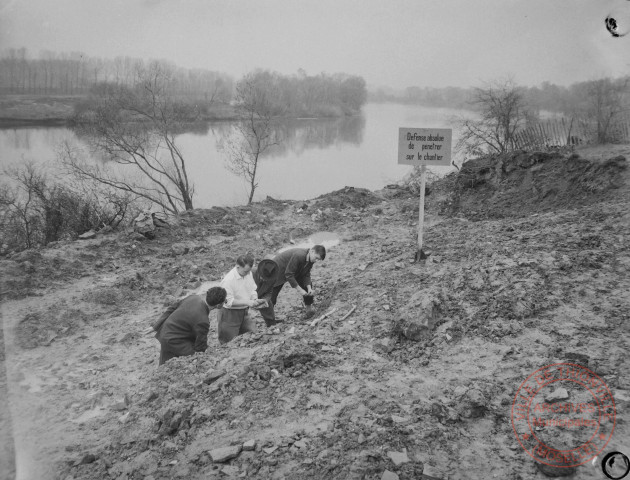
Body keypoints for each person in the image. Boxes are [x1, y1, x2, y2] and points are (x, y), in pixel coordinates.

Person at [153, 286, 227, 365]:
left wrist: (155, 326)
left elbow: (172, 308)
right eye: (224, 301)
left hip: (165, 332)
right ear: (219, 305)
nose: (226, 301)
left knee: (164, 364)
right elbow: (200, 347)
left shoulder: (193, 297)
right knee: (194, 357)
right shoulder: (203, 321)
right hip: (173, 340)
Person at [263, 245, 326, 323]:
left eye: (318, 260)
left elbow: (306, 274)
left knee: (306, 285)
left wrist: (309, 288)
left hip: (292, 270)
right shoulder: (299, 255)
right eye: (316, 258)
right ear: (312, 251)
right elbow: (289, 274)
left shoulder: (310, 259)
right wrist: (300, 290)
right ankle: (270, 319)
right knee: (272, 295)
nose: (316, 261)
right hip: (277, 270)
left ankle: (309, 311)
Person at [217, 253, 266, 344]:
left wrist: (254, 299)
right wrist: (247, 302)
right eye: (245, 271)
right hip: (229, 314)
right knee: (229, 341)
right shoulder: (228, 280)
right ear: (237, 266)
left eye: (249, 271)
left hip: (244, 311)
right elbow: (229, 302)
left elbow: (252, 288)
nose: (247, 274)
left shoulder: (248, 273)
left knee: (253, 334)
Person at [251, 258, 280, 327]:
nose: (263, 279)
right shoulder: (250, 273)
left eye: (266, 278)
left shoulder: (273, 278)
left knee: (268, 306)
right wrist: (252, 301)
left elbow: (269, 292)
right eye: (262, 276)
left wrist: (265, 301)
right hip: (245, 296)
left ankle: (271, 325)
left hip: (260, 295)